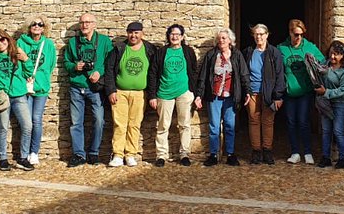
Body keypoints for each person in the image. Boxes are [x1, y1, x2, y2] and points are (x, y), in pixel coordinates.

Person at [103, 21, 156, 167]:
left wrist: (152, 94)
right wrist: (111, 90)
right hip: (120, 92)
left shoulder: (149, 49)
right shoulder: (119, 48)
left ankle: (131, 154)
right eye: (131, 32)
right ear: (127, 34)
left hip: (140, 93)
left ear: (141, 33)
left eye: (136, 32)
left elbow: (153, 72)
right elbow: (109, 70)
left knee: (134, 124)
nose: (133, 35)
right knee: (119, 124)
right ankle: (118, 154)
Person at [195, 28, 250, 166]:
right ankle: (213, 154)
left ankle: (230, 154)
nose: (221, 40)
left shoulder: (237, 55)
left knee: (230, 126)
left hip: (230, 97)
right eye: (219, 38)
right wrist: (199, 95)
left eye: (224, 38)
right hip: (214, 96)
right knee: (214, 126)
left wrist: (247, 91)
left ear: (230, 40)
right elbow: (203, 76)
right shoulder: (212, 55)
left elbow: (244, 74)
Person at [63, 14, 112, 166]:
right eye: (82, 22)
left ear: (94, 24)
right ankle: (79, 154)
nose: (85, 25)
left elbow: (111, 61)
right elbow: (66, 62)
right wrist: (73, 67)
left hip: (95, 88)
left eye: (88, 22)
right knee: (76, 122)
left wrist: (99, 72)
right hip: (77, 86)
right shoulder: (72, 43)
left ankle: (94, 153)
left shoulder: (104, 41)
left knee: (99, 120)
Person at [147, 24, 198, 166]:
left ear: (182, 37)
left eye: (177, 34)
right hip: (164, 93)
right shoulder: (161, 52)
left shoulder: (188, 51)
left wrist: (193, 92)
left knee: (185, 124)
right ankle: (161, 155)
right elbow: (152, 73)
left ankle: (184, 153)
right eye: (172, 34)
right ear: (168, 36)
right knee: (163, 125)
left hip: (183, 92)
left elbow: (193, 71)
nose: (174, 37)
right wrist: (152, 95)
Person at [278, 18, 324, 164]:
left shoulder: (310, 47)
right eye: (295, 34)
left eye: (301, 34)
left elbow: (323, 64)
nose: (298, 37)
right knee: (291, 122)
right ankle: (295, 152)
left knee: (303, 121)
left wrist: (313, 64)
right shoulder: (282, 48)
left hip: (305, 91)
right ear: (290, 33)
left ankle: (308, 152)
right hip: (289, 91)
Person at [242, 23, 285, 164]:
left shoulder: (274, 52)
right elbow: (244, 73)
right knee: (253, 121)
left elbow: (280, 74)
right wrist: (245, 90)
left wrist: (278, 96)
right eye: (256, 34)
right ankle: (256, 151)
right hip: (252, 92)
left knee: (267, 122)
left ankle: (267, 150)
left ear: (267, 35)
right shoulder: (248, 52)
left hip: (269, 93)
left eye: (261, 34)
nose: (258, 36)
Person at [0, 29, 33, 171]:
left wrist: (26, 59)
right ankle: (3, 158)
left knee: (27, 125)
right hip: (2, 96)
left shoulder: (17, 55)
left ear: (8, 40)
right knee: (2, 127)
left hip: (19, 94)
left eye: (2, 40)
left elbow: (29, 72)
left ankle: (23, 157)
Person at [16, 17, 55, 167]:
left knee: (37, 120)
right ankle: (23, 154)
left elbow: (50, 66)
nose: (37, 26)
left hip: (41, 88)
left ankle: (34, 152)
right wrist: (25, 78)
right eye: (34, 24)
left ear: (44, 27)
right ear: (29, 26)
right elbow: (18, 63)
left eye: (40, 24)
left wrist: (41, 79)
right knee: (26, 122)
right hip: (25, 87)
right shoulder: (21, 43)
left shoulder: (48, 44)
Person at [317, 40, 344, 168]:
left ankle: (342, 159)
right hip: (325, 103)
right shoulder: (325, 65)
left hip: (339, 104)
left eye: (336, 54)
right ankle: (326, 157)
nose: (332, 57)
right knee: (326, 131)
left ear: (343, 55)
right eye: (331, 53)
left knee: (337, 130)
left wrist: (326, 92)